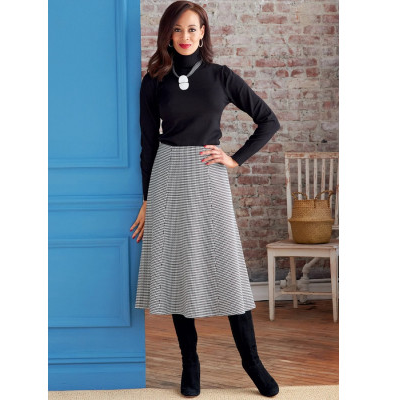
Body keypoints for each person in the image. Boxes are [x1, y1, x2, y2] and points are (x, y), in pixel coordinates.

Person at [130, 1, 280, 397]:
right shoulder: (154, 81)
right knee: (180, 269)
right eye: (177, 29)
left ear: (203, 33)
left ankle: (252, 362)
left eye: (192, 29)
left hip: (208, 176)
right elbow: (148, 144)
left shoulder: (220, 76)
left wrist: (234, 159)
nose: (185, 36)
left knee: (228, 270)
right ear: (167, 34)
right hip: (167, 178)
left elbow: (269, 120)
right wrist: (147, 200)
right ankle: (190, 363)